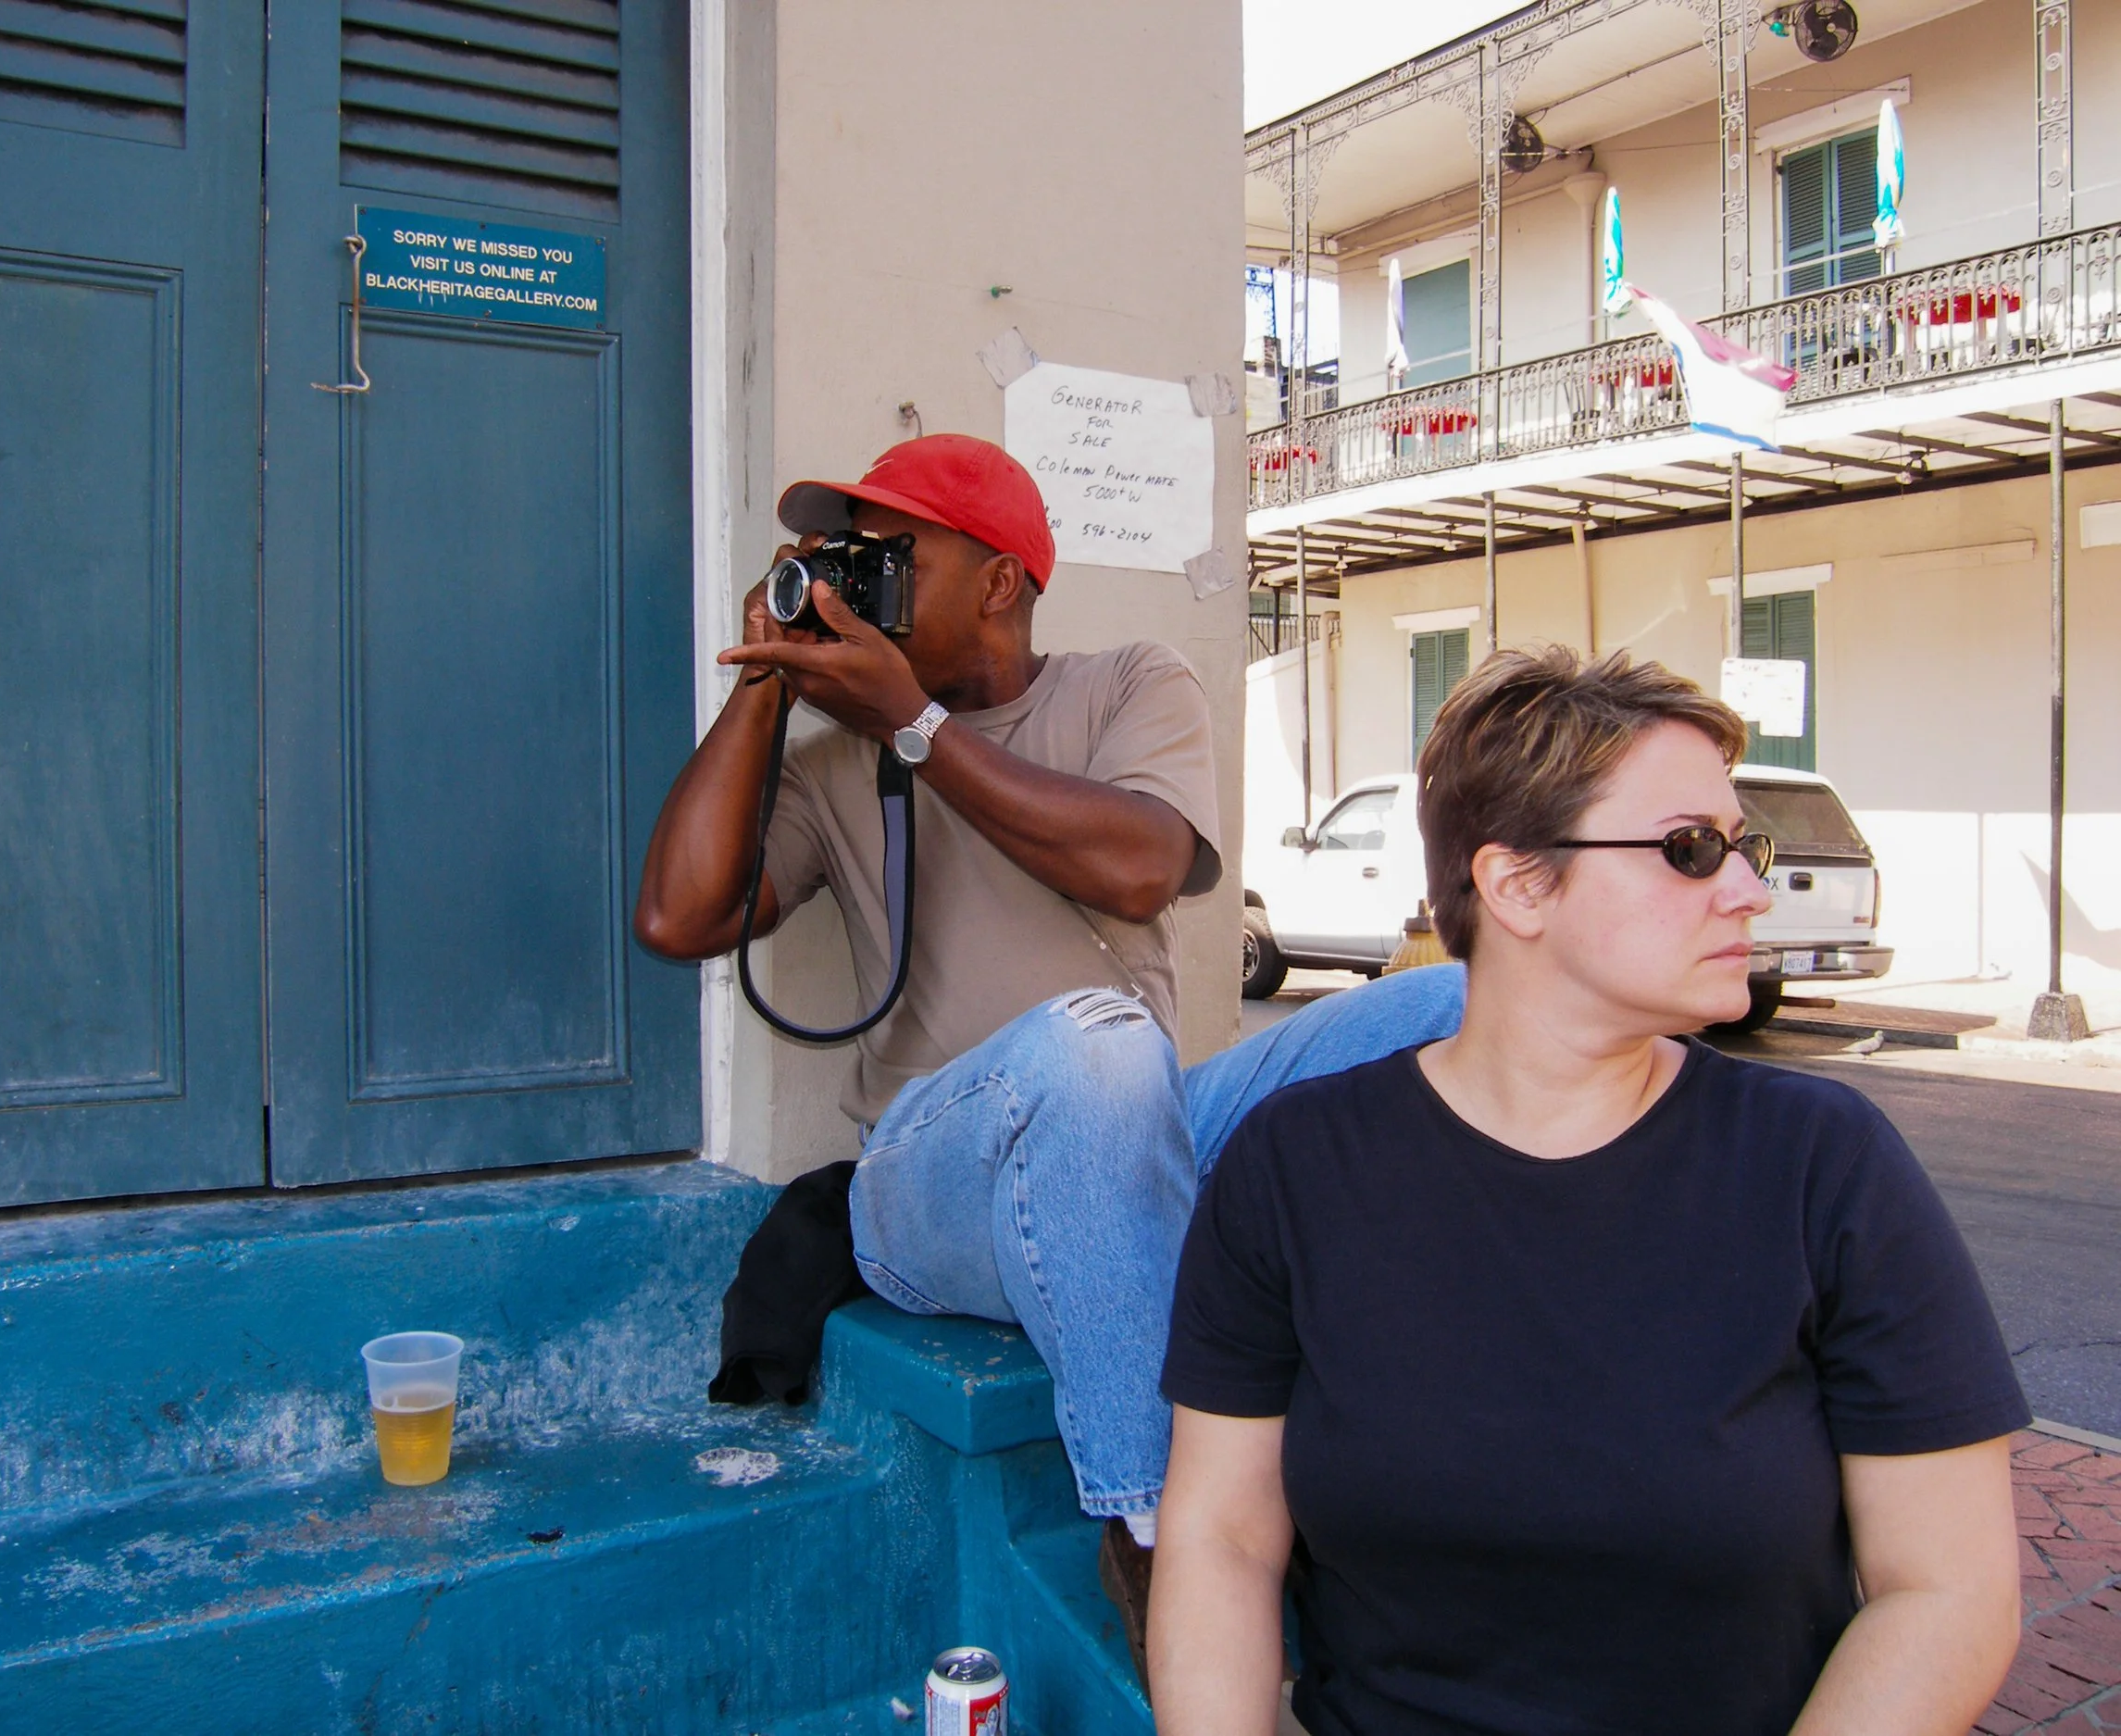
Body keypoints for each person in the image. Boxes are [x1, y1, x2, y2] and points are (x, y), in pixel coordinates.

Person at [634, 433, 1465, 1671]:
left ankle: (1487, 1380)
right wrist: (766, 681)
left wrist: (916, 725)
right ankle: (1154, 1520)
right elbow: (680, 918)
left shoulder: (1131, 682)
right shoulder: (826, 763)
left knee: (1450, 998)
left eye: (887, 554)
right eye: (837, 558)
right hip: (927, 1177)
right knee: (1095, 1047)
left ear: (1001, 582)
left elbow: (1138, 864)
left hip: (1135, 1109)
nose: (854, 577)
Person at [1153, 646, 2028, 1736]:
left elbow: (1947, 1591)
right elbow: (1222, 1540)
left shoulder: (1821, 1166)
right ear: (1517, 884)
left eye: (1739, 846)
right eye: (1691, 850)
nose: (1751, 888)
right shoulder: (1295, 1168)